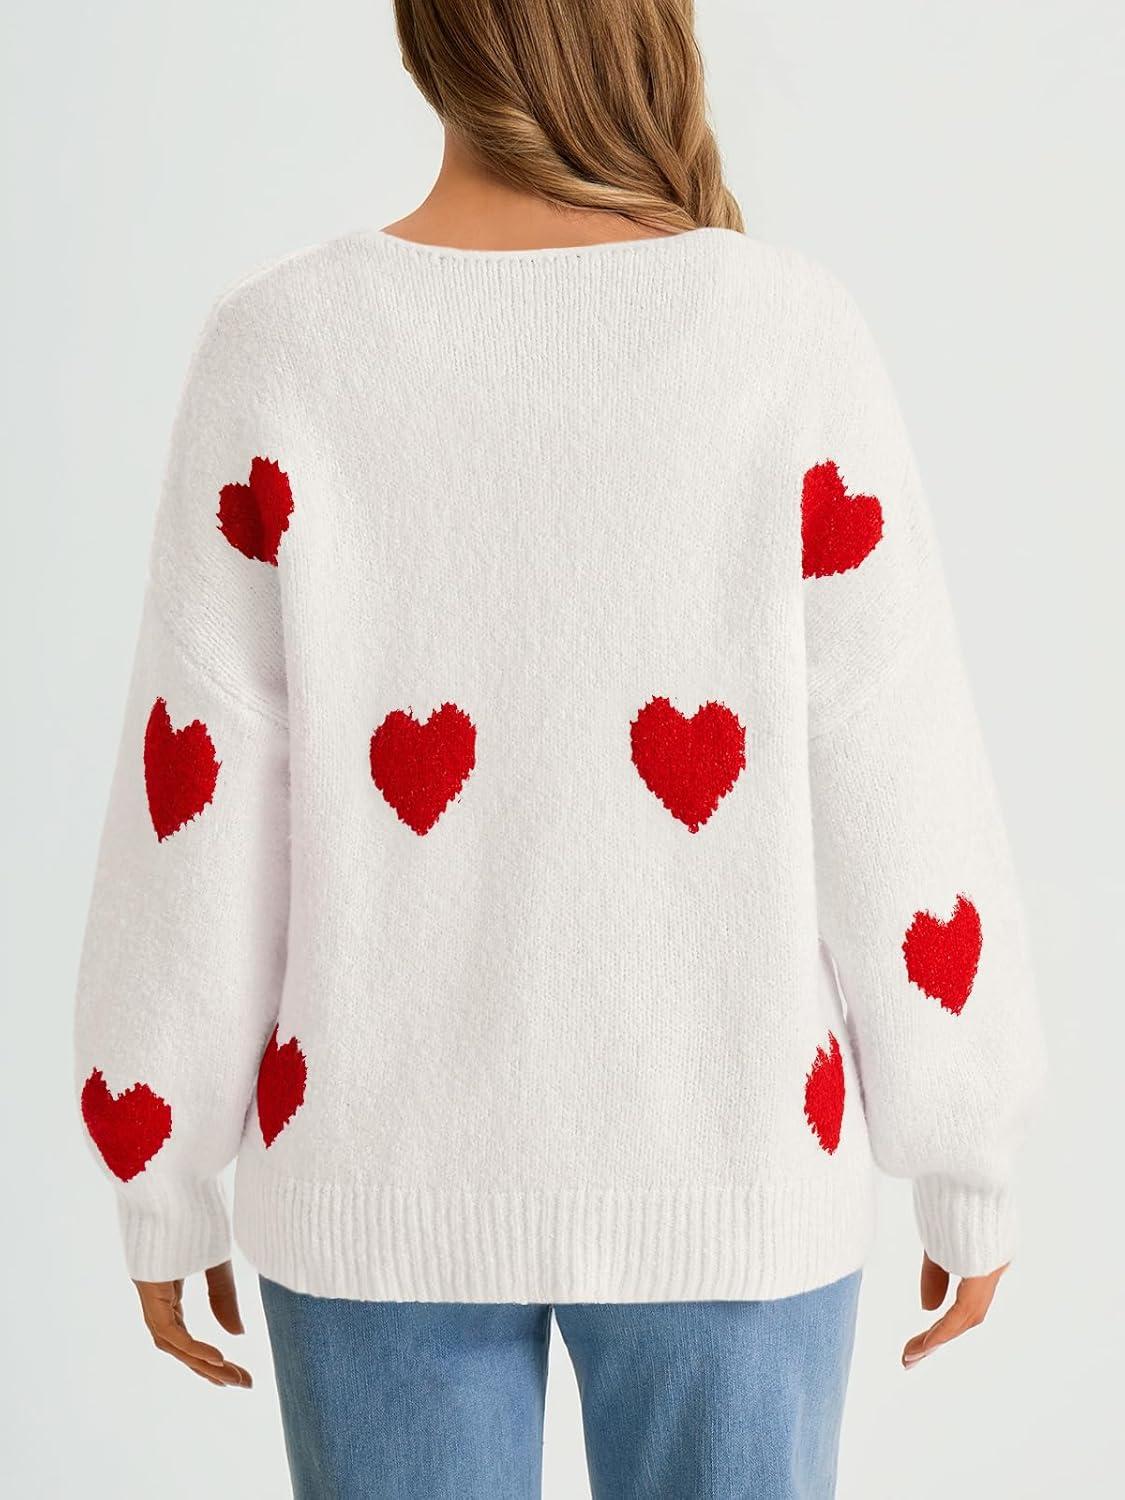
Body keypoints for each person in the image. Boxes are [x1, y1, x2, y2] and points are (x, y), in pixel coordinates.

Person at [73, 2, 1046, 1496]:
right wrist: (965, 1145)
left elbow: (194, 797)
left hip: (372, 1186)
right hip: (728, 1168)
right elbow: (894, 767)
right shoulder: (786, 333)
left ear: (425, 35)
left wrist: (161, 1160)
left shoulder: (280, 346)